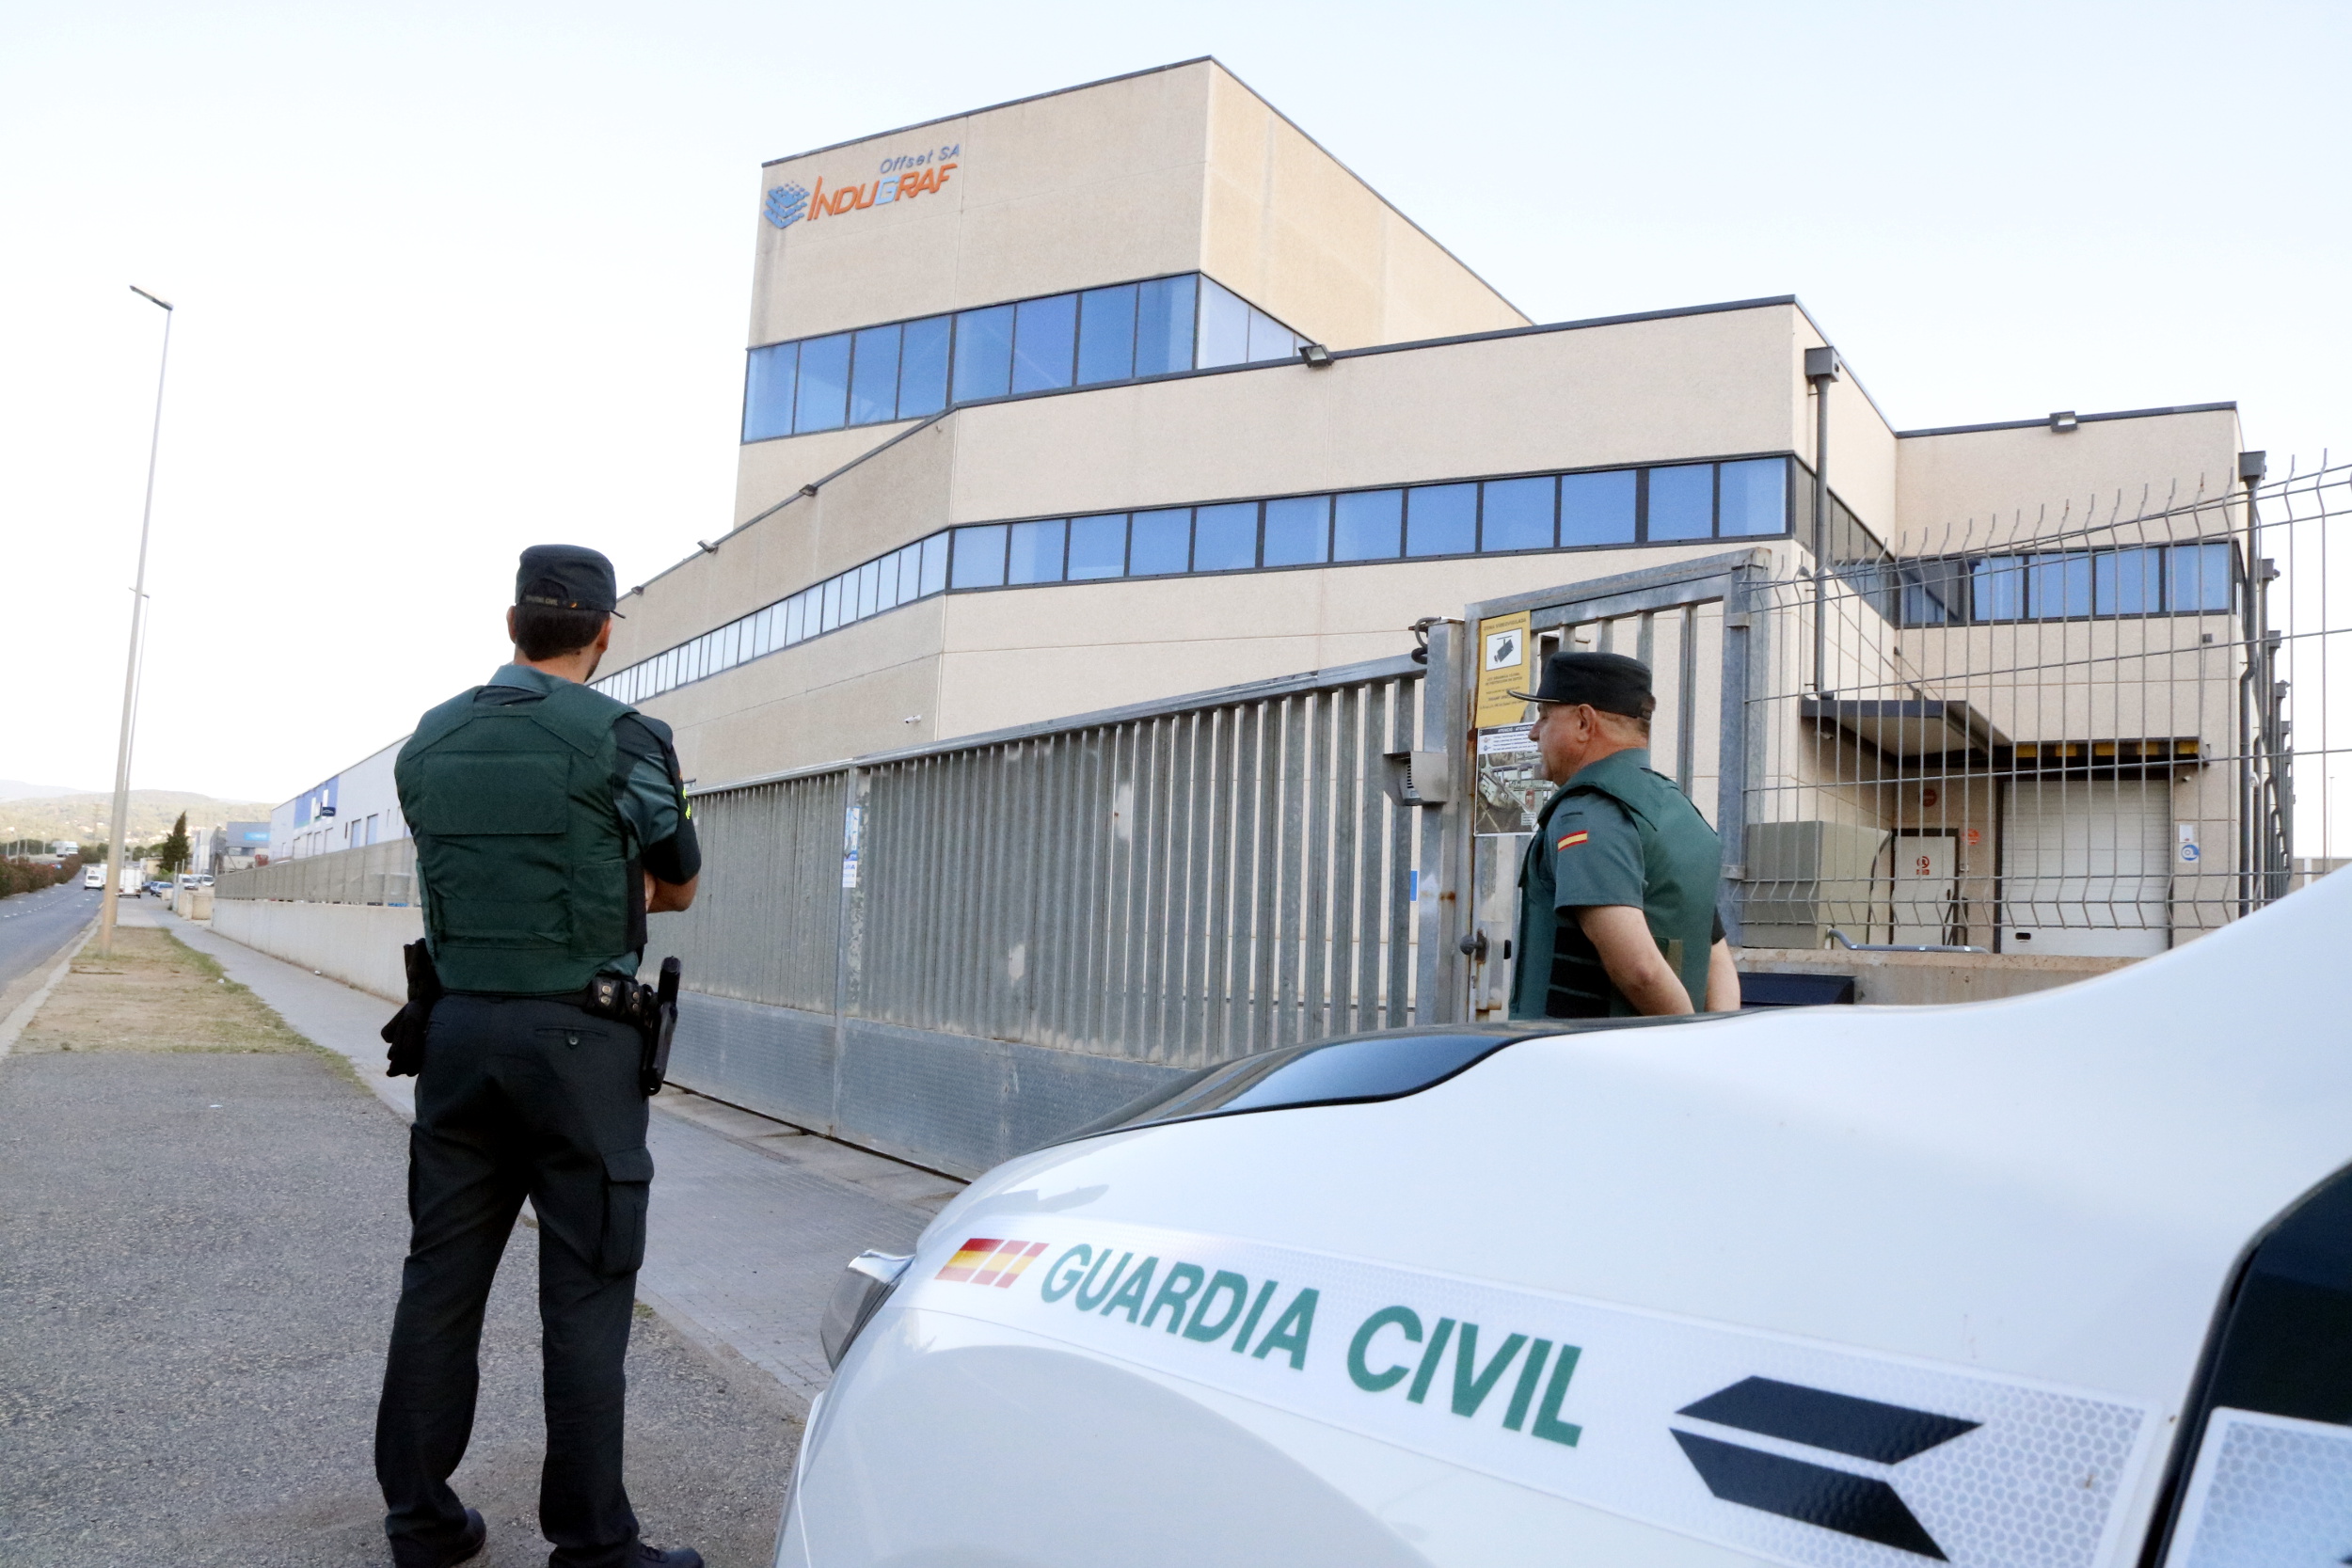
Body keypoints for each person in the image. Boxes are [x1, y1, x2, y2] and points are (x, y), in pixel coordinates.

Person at [374, 546, 704, 1568]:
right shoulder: (624, 734)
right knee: (587, 1288)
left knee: (439, 1282)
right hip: (579, 1043)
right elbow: (678, 882)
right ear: (604, 631)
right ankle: (595, 1543)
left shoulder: (430, 737)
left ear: (509, 624)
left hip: (457, 1033)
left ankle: (423, 1524)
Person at [1505, 650, 1740, 1020]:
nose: (1535, 733)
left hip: (1580, 1063)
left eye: (1545, 717)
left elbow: (1640, 971)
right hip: (1653, 1060)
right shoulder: (1677, 810)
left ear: (1584, 722)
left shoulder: (1586, 814)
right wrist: (1712, 1040)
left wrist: (1689, 1044)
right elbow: (1715, 956)